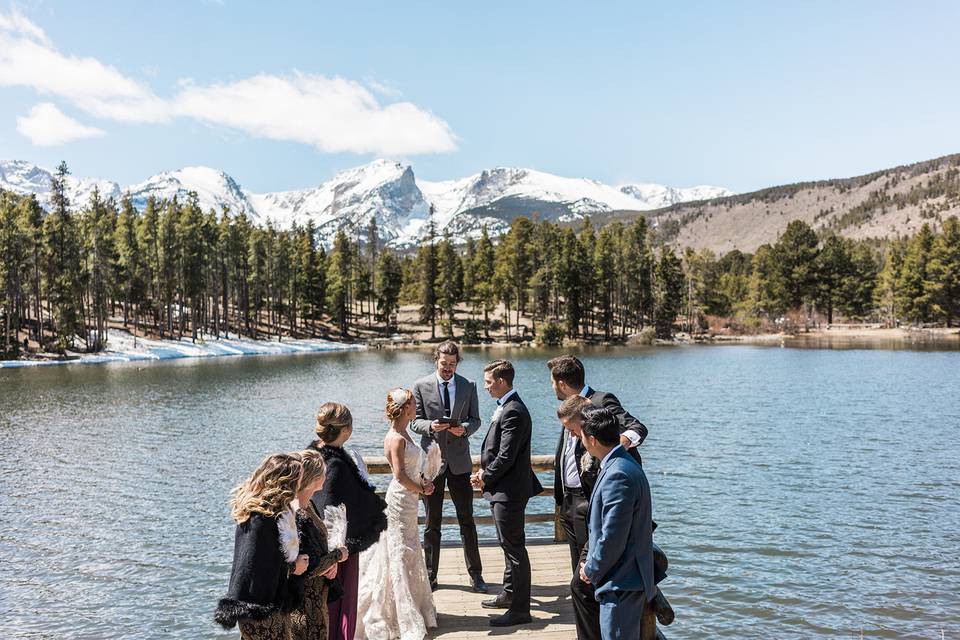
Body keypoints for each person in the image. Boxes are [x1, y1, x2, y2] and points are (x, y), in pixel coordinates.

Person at [547, 355, 648, 570]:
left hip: (589, 498)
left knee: (591, 567)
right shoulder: (569, 407)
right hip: (567, 501)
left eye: (552, 382)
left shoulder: (601, 401)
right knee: (576, 567)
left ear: (561, 384)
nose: (552, 387)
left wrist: (616, 448)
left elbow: (637, 427)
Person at [214, 450, 326, 640]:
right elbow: (258, 566)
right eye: (297, 481)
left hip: (265, 604)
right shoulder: (262, 519)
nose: (299, 486)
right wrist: (294, 567)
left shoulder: (262, 512)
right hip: (260, 609)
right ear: (285, 483)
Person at [356, 387, 440, 640]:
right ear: (404, 409)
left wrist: (425, 481)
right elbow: (400, 475)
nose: (417, 408)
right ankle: (396, 612)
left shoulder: (406, 433)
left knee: (410, 549)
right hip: (401, 499)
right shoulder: (395, 438)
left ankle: (415, 603)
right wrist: (422, 489)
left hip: (411, 499)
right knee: (400, 550)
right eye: (414, 404)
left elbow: (412, 471)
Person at [408, 341, 486, 593]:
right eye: (444, 364)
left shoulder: (469, 386)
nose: (448, 368)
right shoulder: (420, 385)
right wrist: (430, 426)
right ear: (436, 360)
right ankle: (431, 576)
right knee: (432, 523)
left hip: (460, 464)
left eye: (452, 364)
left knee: (467, 521)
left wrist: (465, 429)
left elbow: (476, 420)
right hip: (432, 465)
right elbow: (414, 422)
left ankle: (477, 576)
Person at [470, 359, 543, 627]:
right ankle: (509, 594)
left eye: (489, 382)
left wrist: (484, 475)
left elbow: (506, 455)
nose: (486, 387)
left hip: (509, 492)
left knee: (514, 549)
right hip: (502, 489)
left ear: (502, 381)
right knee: (507, 544)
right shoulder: (506, 407)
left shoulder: (513, 411)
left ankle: (521, 610)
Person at [307, 403, 388, 640]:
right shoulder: (337, 465)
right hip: (337, 551)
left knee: (322, 611)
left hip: (313, 548)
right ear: (346, 431)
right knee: (340, 608)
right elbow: (331, 508)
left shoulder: (310, 456)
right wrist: (335, 555)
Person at [578, 407, 655, 640]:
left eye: (581, 436)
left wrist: (591, 568)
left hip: (621, 581)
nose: (580, 440)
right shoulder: (621, 463)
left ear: (592, 440)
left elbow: (613, 535)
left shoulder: (617, 474)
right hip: (623, 578)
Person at [555, 395, 603, 640]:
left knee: (583, 583)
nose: (571, 435)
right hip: (570, 503)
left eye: (572, 429)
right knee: (579, 576)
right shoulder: (579, 436)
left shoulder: (598, 444)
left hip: (590, 510)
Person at [292, 457, 350, 640]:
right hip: (305, 600)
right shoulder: (298, 513)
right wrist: (338, 555)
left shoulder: (309, 505)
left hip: (318, 595)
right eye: (323, 473)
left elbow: (317, 552)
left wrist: (331, 565)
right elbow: (308, 565)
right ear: (312, 478)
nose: (326, 476)